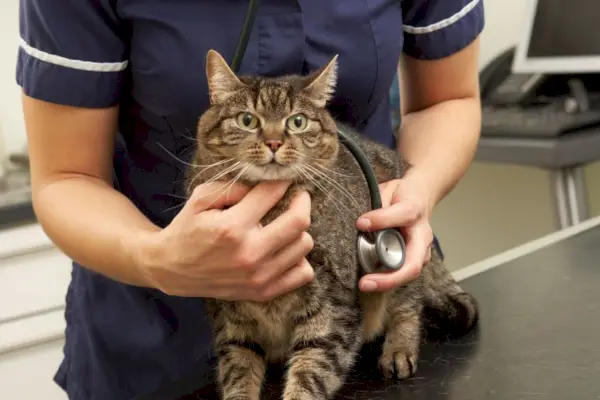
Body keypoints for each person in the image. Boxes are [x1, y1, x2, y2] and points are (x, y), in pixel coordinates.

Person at [16, 0, 484, 399]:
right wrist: (157, 259)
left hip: (367, 294)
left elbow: (448, 99)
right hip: (158, 338)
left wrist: (415, 191)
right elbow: (64, 176)